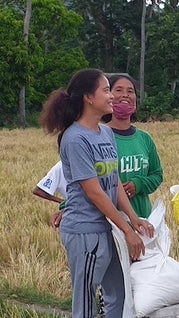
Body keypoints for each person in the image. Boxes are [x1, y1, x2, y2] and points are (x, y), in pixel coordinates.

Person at [40, 68, 154, 318]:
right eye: (106, 90)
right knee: (86, 301)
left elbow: (113, 183)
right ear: (88, 98)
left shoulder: (105, 133)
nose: (111, 96)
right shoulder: (75, 139)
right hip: (85, 232)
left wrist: (133, 219)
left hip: (107, 229)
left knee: (118, 294)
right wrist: (126, 230)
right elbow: (94, 193)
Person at [104, 74, 163, 218]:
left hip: (143, 220)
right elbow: (82, 180)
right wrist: (66, 207)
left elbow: (157, 174)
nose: (125, 95)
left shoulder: (144, 138)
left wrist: (138, 184)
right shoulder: (98, 137)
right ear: (108, 96)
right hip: (110, 222)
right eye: (118, 90)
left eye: (130, 91)